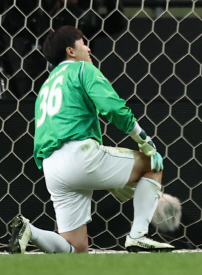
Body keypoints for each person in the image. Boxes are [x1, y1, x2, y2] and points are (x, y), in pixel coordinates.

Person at [7, 25, 173, 254]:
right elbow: (113, 108)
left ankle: (29, 230)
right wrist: (143, 139)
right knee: (153, 164)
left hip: (51, 167)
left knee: (77, 248)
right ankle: (138, 236)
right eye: (83, 43)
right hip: (80, 155)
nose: (88, 48)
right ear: (71, 51)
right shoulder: (83, 69)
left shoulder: (46, 86)